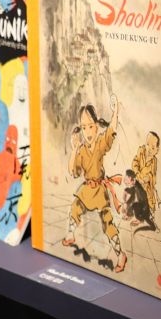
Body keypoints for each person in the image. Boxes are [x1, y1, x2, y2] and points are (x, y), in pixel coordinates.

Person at [62, 98, 126, 273]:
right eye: (84, 127)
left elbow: (111, 131)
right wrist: (74, 150)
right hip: (86, 189)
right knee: (75, 207)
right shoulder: (82, 150)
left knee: (107, 222)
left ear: (96, 126)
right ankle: (70, 234)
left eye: (90, 126)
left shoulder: (100, 143)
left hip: (99, 190)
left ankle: (120, 255)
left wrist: (116, 111)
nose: (87, 131)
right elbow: (73, 171)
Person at [130, 131, 160, 214]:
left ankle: (148, 212)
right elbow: (135, 162)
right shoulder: (141, 151)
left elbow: (153, 176)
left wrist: (148, 178)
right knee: (133, 194)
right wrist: (137, 173)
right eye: (147, 144)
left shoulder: (154, 161)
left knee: (148, 198)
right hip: (137, 179)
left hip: (146, 184)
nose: (149, 149)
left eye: (153, 148)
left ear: (157, 150)